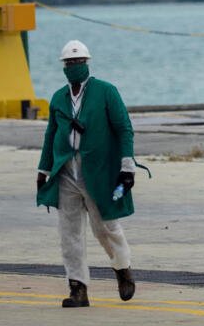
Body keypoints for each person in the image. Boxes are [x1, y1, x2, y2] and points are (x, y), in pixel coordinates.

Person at [36, 40, 145, 307]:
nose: (74, 66)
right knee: (68, 233)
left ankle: (122, 269)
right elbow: (51, 135)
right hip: (66, 172)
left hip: (98, 172)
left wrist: (127, 167)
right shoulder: (58, 98)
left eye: (78, 62)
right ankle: (78, 289)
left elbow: (124, 129)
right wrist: (43, 169)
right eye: (69, 63)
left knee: (105, 227)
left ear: (87, 64)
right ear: (63, 67)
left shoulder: (106, 92)